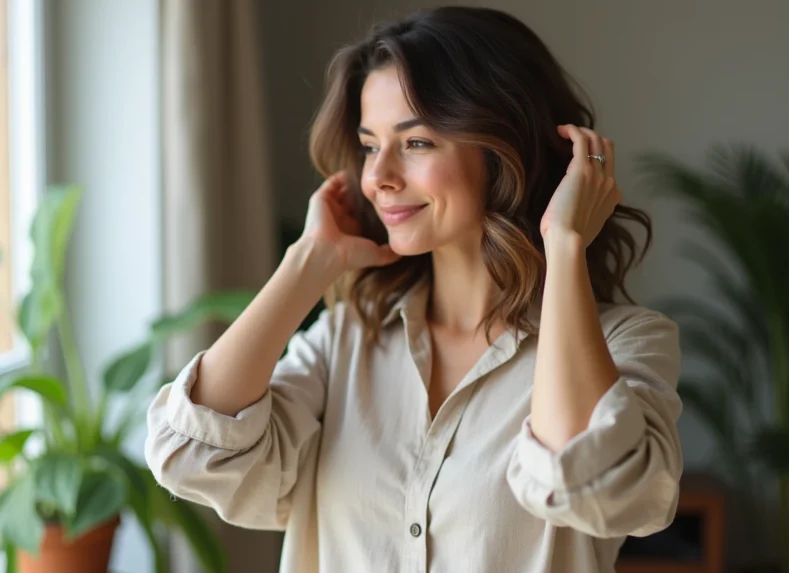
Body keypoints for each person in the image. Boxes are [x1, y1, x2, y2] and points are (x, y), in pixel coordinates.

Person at [145, 6, 683, 573]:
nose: (378, 178)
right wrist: (307, 262)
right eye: (370, 145)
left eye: (417, 142)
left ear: (503, 149)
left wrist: (566, 242)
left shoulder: (627, 344)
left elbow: (599, 491)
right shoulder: (345, 340)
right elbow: (192, 454)